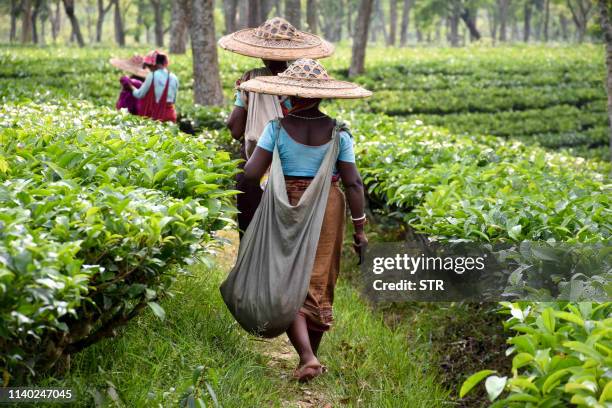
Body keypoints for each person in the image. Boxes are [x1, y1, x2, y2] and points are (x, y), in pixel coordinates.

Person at [240, 59, 371, 382]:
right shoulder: (340, 133)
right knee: (319, 277)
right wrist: (360, 228)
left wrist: (255, 207)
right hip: (327, 202)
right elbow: (353, 183)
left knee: (286, 275)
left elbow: (251, 173)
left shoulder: (277, 129)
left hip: (286, 202)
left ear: (290, 96)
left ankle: (306, 357)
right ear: (320, 96)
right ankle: (309, 355)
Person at [218, 17, 335, 237]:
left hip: (256, 163)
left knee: (252, 233)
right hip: (294, 170)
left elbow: (235, 129)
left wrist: (246, 98)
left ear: (261, 51)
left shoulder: (250, 80)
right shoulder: (303, 81)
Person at [126, 50, 179, 123]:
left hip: (157, 115)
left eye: (149, 66)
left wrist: (130, 86)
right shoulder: (174, 77)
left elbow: (140, 94)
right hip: (170, 115)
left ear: (153, 64)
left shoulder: (152, 75)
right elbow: (174, 100)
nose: (149, 69)